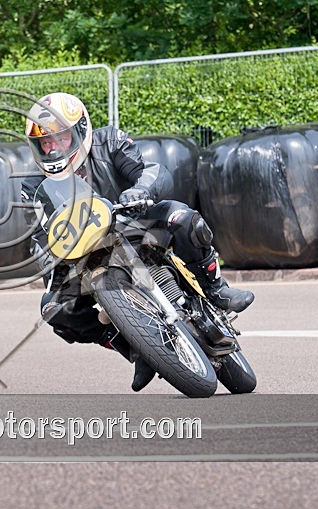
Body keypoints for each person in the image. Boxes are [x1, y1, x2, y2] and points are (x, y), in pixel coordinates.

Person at [20, 92, 254, 392]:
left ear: (79, 131)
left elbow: (151, 170)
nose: (52, 147)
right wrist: (46, 259)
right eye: (45, 142)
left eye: (60, 138)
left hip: (136, 225)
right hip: (86, 257)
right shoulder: (32, 187)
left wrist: (139, 190)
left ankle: (216, 289)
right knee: (53, 307)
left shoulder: (109, 142)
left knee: (182, 219)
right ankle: (133, 346)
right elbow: (40, 237)